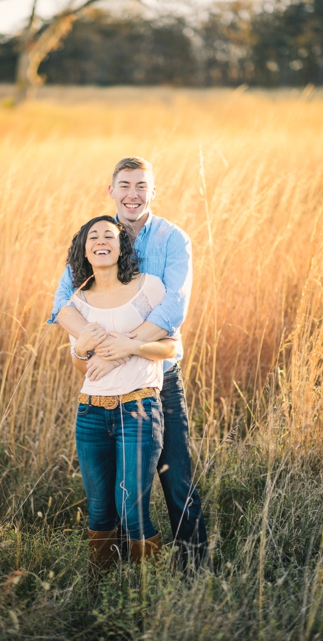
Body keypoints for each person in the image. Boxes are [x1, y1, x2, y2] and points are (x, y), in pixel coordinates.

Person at [49, 157, 208, 567]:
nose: (133, 194)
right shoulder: (96, 235)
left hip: (159, 378)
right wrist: (97, 347)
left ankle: (193, 567)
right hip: (104, 386)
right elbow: (62, 305)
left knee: (175, 478)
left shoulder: (173, 239)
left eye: (141, 186)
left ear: (153, 192)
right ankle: (117, 573)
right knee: (116, 496)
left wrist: (128, 345)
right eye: (125, 185)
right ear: (112, 190)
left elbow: (175, 307)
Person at [64, 216, 177, 570]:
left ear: (120, 246)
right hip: (91, 412)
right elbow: (85, 368)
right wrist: (82, 351)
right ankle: (103, 588)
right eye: (92, 236)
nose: (101, 240)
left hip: (138, 409)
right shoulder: (77, 304)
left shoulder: (150, 288)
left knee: (131, 506)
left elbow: (170, 348)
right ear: (84, 249)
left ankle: (146, 588)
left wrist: (129, 346)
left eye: (108, 235)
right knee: (99, 511)